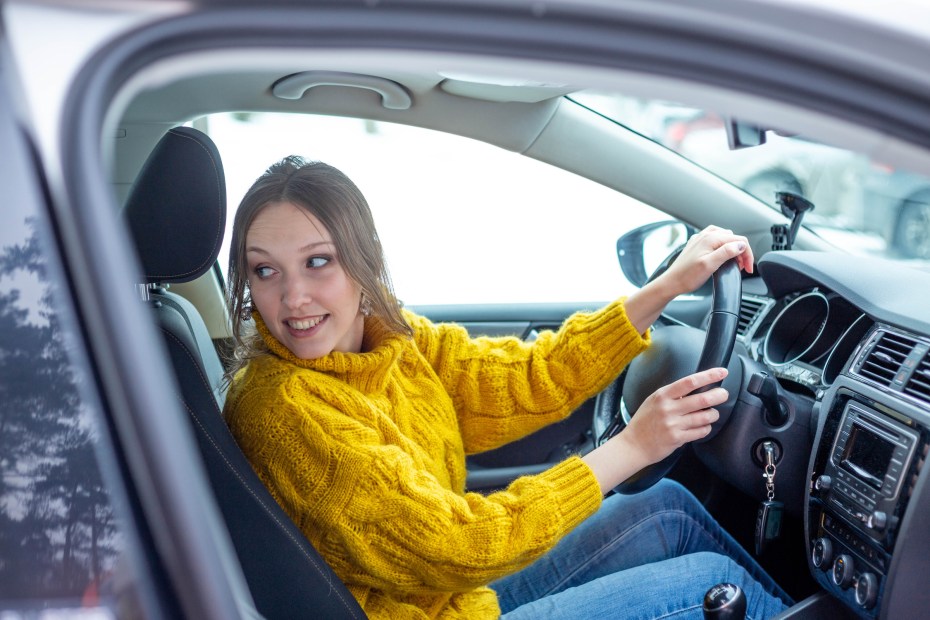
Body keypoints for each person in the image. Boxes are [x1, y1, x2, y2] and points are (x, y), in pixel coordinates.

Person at [223, 156, 792, 619]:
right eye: (265, 271)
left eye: (317, 262)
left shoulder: (388, 339)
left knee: (667, 508)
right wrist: (632, 447)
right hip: (434, 602)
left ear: (362, 263)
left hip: (452, 599)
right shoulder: (282, 408)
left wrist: (662, 290)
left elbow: (522, 378)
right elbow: (458, 544)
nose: (292, 298)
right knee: (707, 586)